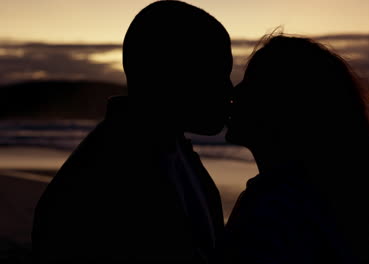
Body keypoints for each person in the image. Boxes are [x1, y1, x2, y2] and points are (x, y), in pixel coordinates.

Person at [32, 1, 233, 262]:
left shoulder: (171, 151)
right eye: (218, 74)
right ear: (173, 74)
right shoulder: (110, 179)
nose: (229, 91)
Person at [223, 35, 369, 264]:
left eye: (251, 83)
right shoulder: (318, 199)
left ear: (285, 107)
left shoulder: (274, 210)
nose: (235, 93)